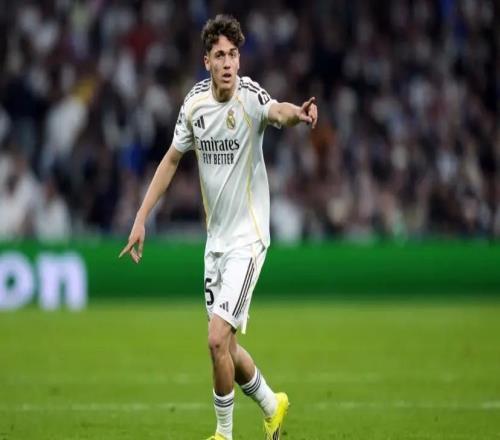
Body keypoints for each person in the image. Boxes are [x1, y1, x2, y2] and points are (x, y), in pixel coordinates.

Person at [119, 14, 317, 440]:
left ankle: (223, 435)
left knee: (214, 338)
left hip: (248, 239)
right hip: (216, 243)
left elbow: (277, 112)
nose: (228, 63)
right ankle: (273, 405)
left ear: (239, 59)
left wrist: (298, 114)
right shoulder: (194, 105)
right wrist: (140, 217)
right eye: (219, 56)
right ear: (206, 61)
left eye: (233, 55)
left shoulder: (249, 97)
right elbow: (171, 160)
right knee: (226, 347)